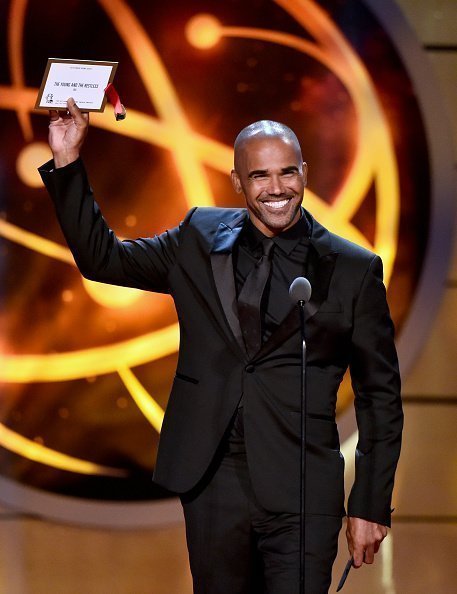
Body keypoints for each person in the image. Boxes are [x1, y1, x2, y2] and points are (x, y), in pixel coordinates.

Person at [39, 98, 403, 594]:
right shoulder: (197, 237)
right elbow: (103, 260)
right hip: (214, 479)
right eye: (260, 176)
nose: (277, 189)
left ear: (304, 173)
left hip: (301, 484)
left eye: (287, 173)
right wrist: (67, 160)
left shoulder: (353, 269)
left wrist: (369, 503)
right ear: (237, 180)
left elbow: (379, 397)